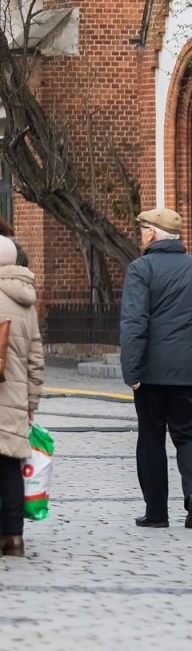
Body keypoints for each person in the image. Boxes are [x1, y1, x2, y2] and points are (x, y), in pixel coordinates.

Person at [121, 207, 192, 529]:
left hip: (152, 371)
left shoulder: (141, 268)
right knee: (189, 435)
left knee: (151, 438)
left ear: (152, 233)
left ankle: (157, 511)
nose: (141, 235)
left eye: (143, 229)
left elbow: (134, 322)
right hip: (187, 368)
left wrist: (131, 369)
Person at [0, 237, 43, 556]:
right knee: (11, 467)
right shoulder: (26, 301)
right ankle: (14, 536)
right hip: (14, 398)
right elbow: (36, 360)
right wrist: (31, 404)